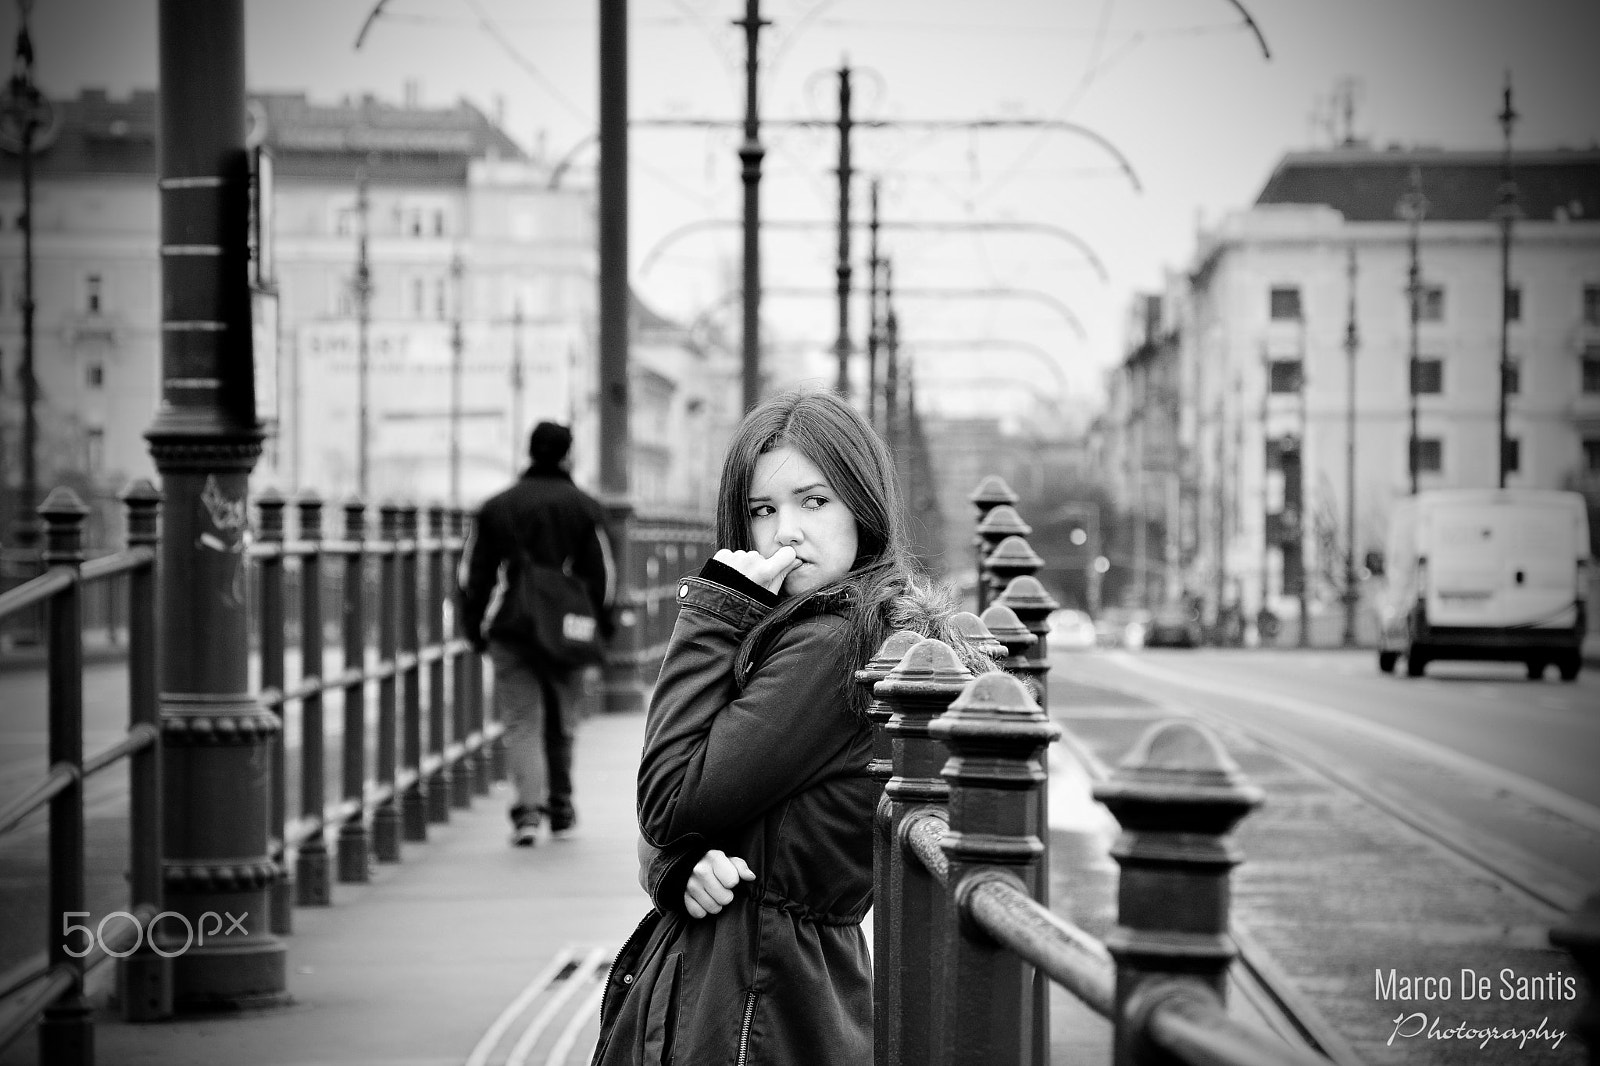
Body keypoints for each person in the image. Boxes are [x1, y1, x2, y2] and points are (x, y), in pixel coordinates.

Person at [591, 389, 991, 1066]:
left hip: (755, 997)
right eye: (762, 510)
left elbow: (666, 803)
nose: (786, 533)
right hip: (767, 985)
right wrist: (675, 865)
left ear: (861, 506)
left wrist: (709, 613)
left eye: (814, 501)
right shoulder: (814, 629)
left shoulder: (831, 642)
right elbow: (685, 815)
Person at [458, 421, 615, 846]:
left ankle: (528, 812)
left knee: (523, 722)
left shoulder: (496, 508)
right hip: (567, 631)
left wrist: (473, 626)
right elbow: (603, 577)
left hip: (512, 627)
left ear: (530, 451)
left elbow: (474, 574)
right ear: (568, 455)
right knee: (562, 723)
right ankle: (561, 807)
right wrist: (602, 626)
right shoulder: (585, 508)